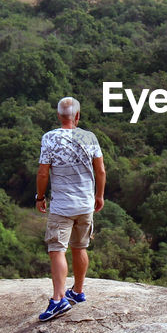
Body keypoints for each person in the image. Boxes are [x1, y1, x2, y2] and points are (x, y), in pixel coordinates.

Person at [35, 96, 106, 321]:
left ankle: (58, 300)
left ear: (59, 116)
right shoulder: (90, 137)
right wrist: (99, 196)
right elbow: (101, 170)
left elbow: (43, 172)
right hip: (85, 203)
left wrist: (39, 196)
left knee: (57, 248)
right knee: (80, 246)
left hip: (62, 206)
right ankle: (77, 291)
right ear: (77, 116)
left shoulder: (50, 138)